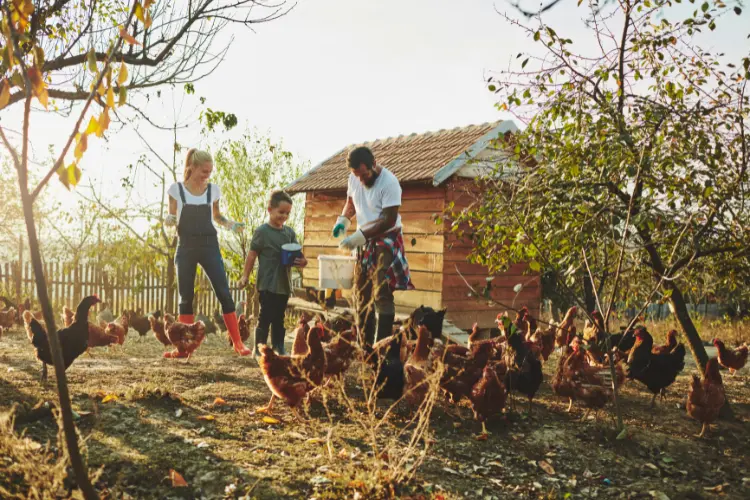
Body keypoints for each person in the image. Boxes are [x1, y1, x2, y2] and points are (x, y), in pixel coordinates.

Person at [165, 148, 251, 357]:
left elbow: (217, 216)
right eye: (204, 171)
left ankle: (238, 343)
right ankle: (184, 348)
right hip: (185, 245)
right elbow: (172, 215)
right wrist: (169, 219)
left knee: (224, 292)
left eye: (210, 171)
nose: (207, 175)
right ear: (191, 168)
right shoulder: (176, 190)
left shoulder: (213, 190)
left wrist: (231, 225)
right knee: (185, 297)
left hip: (209, 245)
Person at [333, 146, 415, 345]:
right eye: (356, 175)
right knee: (361, 294)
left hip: (385, 238)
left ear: (374, 164)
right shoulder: (354, 178)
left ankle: (383, 348)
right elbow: (351, 202)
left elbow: (388, 220)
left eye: (364, 174)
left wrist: (358, 236)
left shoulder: (390, 183)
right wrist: (343, 220)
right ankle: (365, 347)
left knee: (381, 292)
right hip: (364, 239)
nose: (361, 179)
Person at [238, 191, 307, 356]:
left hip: (283, 284)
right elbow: (252, 254)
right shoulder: (262, 232)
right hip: (267, 283)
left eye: (288, 213)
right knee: (266, 316)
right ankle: (259, 348)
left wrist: (303, 262)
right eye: (281, 212)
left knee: (279, 318)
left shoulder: (289, 233)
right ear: (270, 209)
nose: (284, 216)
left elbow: (298, 255)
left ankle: (278, 346)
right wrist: (245, 275)